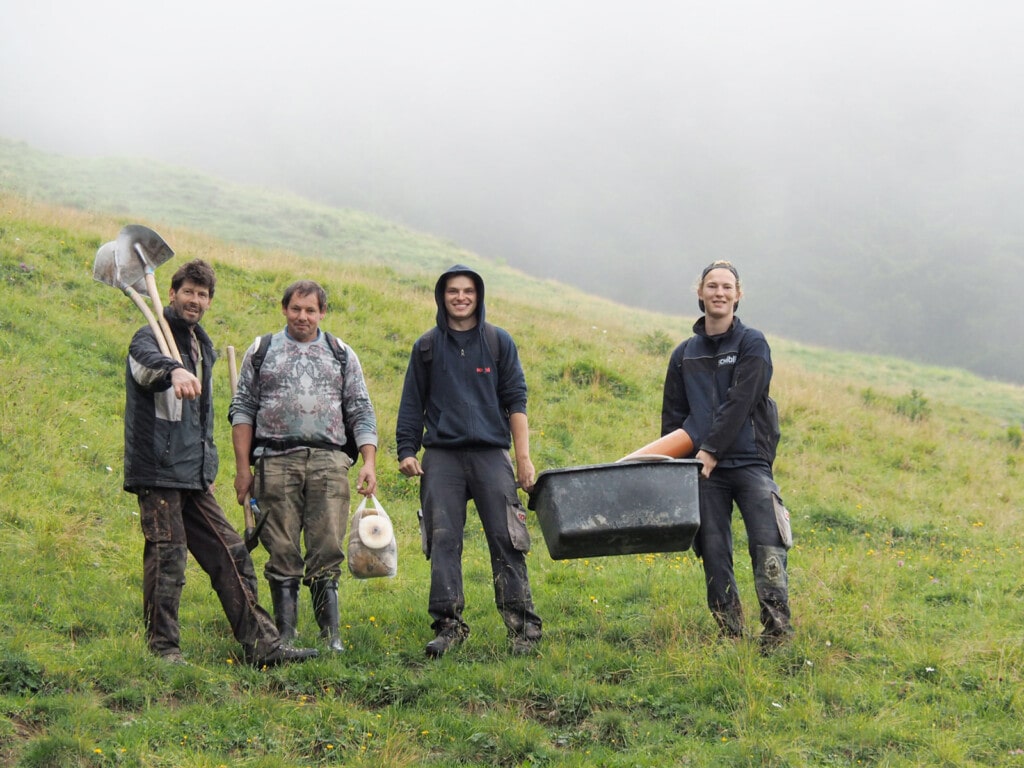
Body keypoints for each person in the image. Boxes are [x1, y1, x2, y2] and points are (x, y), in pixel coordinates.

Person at [123, 258, 318, 667]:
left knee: (232, 552)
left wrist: (206, 467)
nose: (194, 300)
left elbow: (203, 417)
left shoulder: (202, 344)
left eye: (202, 294)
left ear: (209, 301)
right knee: (168, 558)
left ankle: (263, 647)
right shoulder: (150, 337)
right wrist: (172, 371)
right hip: (158, 471)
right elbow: (143, 367)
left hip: (192, 474)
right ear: (172, 293)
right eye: (188, 291)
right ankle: (163, 650)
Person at [396, 264, 543, 658]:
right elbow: (412, 403)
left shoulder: (498, 342)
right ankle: (448, 626)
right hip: (442, 457)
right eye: (452, 292)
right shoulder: (426, 347)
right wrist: (407, 451)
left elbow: (516, 400)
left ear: (479, 296)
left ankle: (523, 628)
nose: (460, 298)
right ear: (441, 298)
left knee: (506, 538)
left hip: (490, 454)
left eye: (468, 291)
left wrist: (523, 458)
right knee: (443, 539)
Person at [229, 280, 378, 653]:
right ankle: (286, 636)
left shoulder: (341, 353)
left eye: (311, 310)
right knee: (280, 547)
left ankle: (331, 638)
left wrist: (369, 461)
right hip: (274, 460)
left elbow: (360, 408)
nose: (303, 316)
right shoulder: (262, 350)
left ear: (322, 313)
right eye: (296, 308)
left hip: (329, 462)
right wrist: (242, 469)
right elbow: (243, 409)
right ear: (284, 309)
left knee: (327, 544)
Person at [660, 260, 794, 651]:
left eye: (727, 287)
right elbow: (673, 418)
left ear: (738, 295)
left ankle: (777, 631)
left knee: (768, 539)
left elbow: (741, 401)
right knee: (713, 548)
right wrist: (677, 469)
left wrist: (711, 450)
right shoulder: (684, 354)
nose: (719, 293)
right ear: (700, 293)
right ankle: (729, 631)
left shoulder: (753, 343)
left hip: (749, 460)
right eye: (712, 286)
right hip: (702, 471)